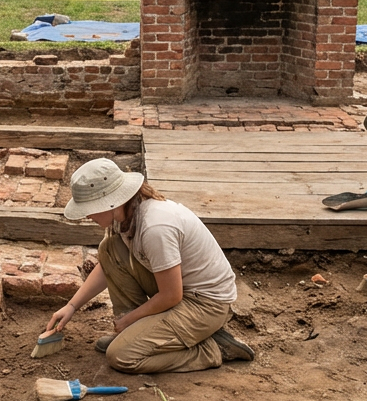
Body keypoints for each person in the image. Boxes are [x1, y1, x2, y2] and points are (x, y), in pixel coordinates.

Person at [43, 158, 255, 374]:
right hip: (181, 291)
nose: (87, 215)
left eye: (89, 208)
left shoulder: (155, 227)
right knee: (110, 248)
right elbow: (109, 265)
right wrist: (72, 306)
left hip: (205, 304)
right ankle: (140, 335)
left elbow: (171, 295)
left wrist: (129, 319)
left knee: (121, 356)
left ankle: (211, 349)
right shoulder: (125, 213)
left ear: (109, 201)